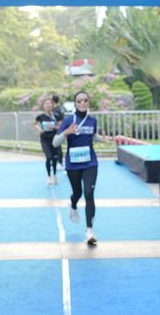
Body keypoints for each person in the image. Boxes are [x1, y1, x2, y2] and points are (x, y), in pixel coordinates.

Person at [53, 91, 103, 246]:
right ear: (75, 103)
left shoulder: (92, 120)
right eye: (79, 101)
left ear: (88, 102)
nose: (82, 103)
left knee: (89, 193)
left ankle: (89, 231)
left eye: (85, 100)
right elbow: (55, 142)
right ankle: (73, 204)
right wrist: (66, 132)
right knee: (77, 192)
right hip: (73, 164)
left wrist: (104, 138)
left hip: (90, 163)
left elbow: (94, 136)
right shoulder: (69, 120)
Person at [34, 98, 60, 186]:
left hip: (54, 139)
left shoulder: (56, 116)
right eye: (46, 104)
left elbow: (60, 126)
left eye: (49, 104)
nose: (48, 105)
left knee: (54, 158)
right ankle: (49, 176)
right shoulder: (40, 116)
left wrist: (54, 127)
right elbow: (35, 124)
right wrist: (39, 129)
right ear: (43, 106)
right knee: (48, 157)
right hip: (45, 139)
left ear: (52, 105)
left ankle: (55, 175)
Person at [52, 94, 65, 168]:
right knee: (54, 145)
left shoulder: (58, 109)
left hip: (58, 128)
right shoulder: (56, 108)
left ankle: (59, 162)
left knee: (58, 145)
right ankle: (55, 161)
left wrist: (58, 127)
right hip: (54, 129)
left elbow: (61, 120)